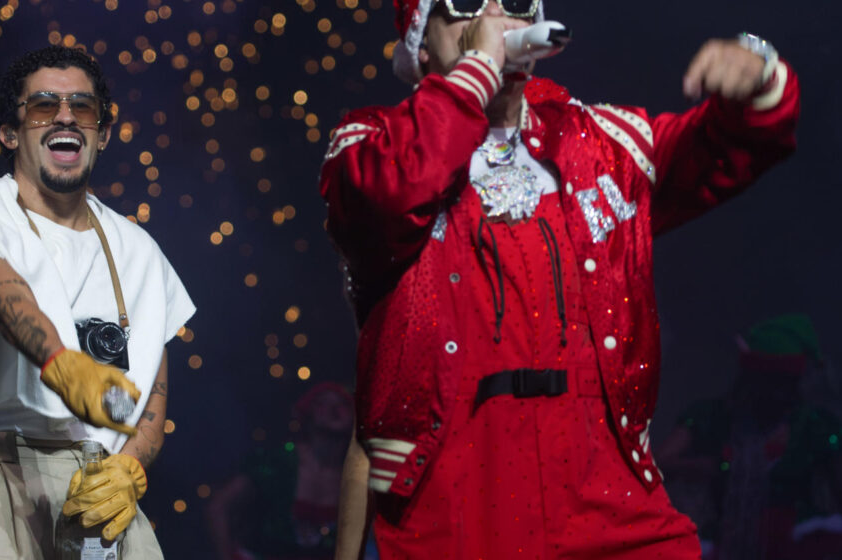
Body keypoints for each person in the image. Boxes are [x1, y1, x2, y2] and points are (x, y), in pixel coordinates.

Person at [319, 0, 799, 557]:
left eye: (517, 2)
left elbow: (745, 141)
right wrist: (477, 69)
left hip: (608, 499)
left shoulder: (609, 145)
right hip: (455, 507)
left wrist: (759, 72)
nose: (497, 14)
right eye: (467, 4)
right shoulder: (368, 142)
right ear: (422, 41)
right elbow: (390, 194)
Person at [0, 45, 195, 558]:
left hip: (103, 485)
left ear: (102, 131)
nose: (64, 116)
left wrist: (133, 468)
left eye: (82, 107)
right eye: (43, 106)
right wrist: (60, 361)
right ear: (11, 133)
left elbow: (149, 391)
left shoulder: (139, 250)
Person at [655, 315, 842, 560]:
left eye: (788, 385)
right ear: (751, 379)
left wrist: (836, 545)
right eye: (771, 384)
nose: (780, 396)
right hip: (729, 544)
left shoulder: (815, 426)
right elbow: (658, 464)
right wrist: (703, 467)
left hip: (799, 547)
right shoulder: (715, 417)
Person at [207, 382, 355, 560]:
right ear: (307, 412)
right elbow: (218, 507)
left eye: (343, 404)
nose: (334, 409)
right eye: (323, 402)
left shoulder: (357, 477)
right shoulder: (277, 462)